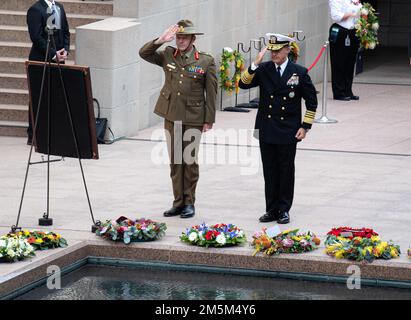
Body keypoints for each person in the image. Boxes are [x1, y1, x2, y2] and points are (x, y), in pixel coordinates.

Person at [139, 20, 217, 219]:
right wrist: (160, 40)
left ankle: (189, 202)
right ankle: (178, 202)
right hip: (172, 115)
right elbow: (144, 53)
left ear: (193, 39)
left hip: (194, 117)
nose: (181, 41)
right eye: (178, 37)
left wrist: (208, 119)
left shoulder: (205, 60)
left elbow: (212, 93)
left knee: (189, 160)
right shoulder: (167, 55)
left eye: (185, 37)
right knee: (175, 160)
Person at [239, 33, 318, 224]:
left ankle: (283, 209)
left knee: (285, 170)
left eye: (277, 51)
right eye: (271, 51)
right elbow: (243, 84)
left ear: (287, 50)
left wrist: (305, 127)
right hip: (266, 128)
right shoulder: (264, 69)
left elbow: (311, 102)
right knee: (270, 170)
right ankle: (271, 209)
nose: (273, 54)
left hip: (288, 129)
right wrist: (255, 64)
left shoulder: (299, 71)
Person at [26, 0, 70, 144]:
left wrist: (65, 51)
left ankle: (52, 133)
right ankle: (33, 135)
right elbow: (36, 37)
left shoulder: (59, 7)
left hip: (59, 59)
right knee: (38, 96)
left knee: (55, 96)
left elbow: (66, 32)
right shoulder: (35, 10)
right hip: (40, 60)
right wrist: (52, 53)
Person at [329, 0, 362, 101]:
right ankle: (339, 92)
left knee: (350, 63)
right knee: (338, 62)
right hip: (340, 31)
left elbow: (359, 13)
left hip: (353, 32)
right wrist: (351, 14)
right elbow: (335, 16)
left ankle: (348, 90)